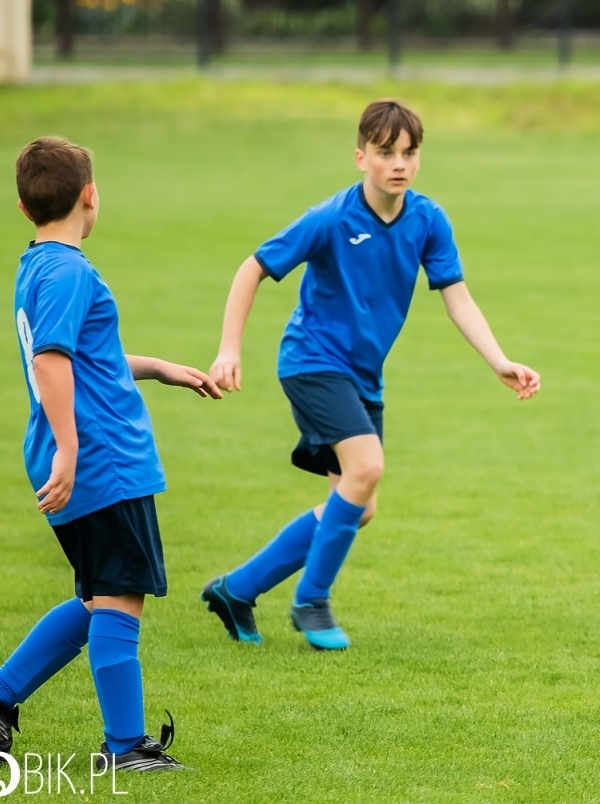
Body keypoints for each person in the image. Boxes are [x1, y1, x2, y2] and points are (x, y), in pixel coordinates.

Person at [201, 99, 540, 651]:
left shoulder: (429, 220)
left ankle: (236, 589)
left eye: (409, 153)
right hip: (312, 361)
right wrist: (228, 348)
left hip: (362, 375)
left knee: (359, 507)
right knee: (368, 468)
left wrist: (499, 359)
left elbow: (458, 298)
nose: (399, 164)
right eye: (386, 153)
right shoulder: (332, 219)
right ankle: (311, 600)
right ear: (361, 157)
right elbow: (253, 267)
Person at [0, 137, 221, 773]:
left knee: (100, 596)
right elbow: (51, 362)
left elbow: (78, 359)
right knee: (119, 598)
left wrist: (156, 367)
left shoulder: (39, 265)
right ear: (91, 195)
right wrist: (71, 451)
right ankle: (125, 745)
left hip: (82, 453)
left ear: (24, 209)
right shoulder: (70, 271)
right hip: (100, 458)